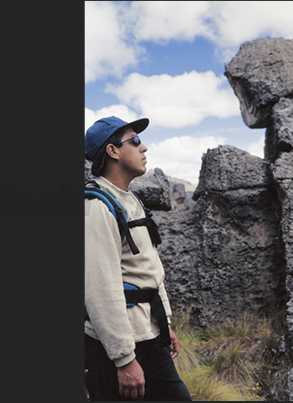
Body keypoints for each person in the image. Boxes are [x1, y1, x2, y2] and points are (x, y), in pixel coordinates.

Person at [84, 116, 192, 401]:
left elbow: (150, 269)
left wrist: (164, 323)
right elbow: (99, 291)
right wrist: (124, 360)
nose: (143, 148)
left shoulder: (130, 199)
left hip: (150, 335)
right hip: (117, 348)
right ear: (113, 151)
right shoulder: (96, 206)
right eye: (135, 141)